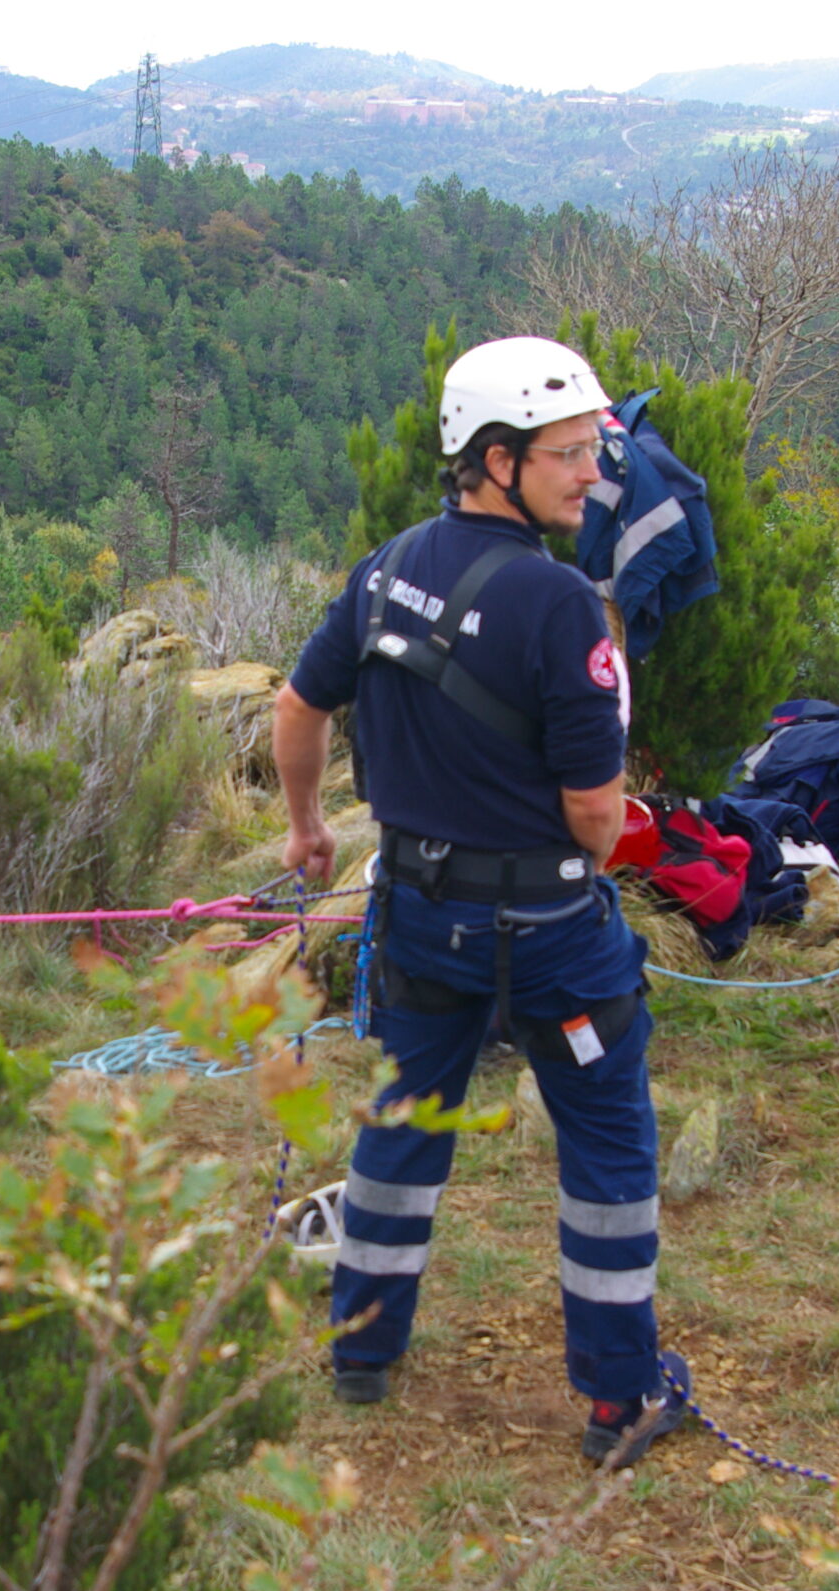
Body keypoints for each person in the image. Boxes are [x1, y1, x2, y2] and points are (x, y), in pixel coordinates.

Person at [270, 335, 689, 1468]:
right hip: (553, 938)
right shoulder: (560, 608)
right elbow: (598, 818)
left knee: (403, 1127)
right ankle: (618, 1399)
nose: (592, 474)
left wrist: (309, 826)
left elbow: (300, 709)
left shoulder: (383, 567)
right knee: (607, 1151)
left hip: (419, 923)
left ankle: (361, 1349)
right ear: (494, 459)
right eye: (566, 454)